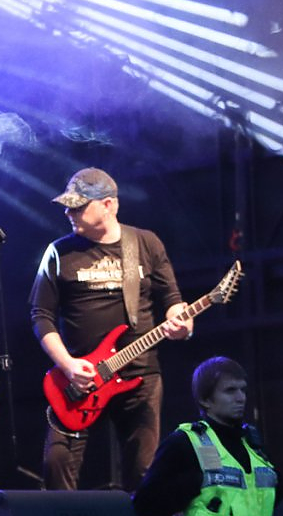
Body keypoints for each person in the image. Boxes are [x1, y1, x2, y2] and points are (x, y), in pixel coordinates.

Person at [29, 168, 193, 491]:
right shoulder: (59, 252)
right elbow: (41, 315)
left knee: (144, 472)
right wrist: (68, 364)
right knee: (56, 462)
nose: (69, 213)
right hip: (79, 381)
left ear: (108, 205)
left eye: (78, 206)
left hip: (139, 376)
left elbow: (173, 302)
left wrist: (182, 323)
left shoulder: (145, 243)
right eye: (68, 207)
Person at [134, 357, 283, 516]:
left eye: (243, 390)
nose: (241, 398)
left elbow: (275, 493)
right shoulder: (188, 441)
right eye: (230, 391)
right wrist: (191, 484)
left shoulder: (252, 444)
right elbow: (145, 502)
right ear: (206, 400)